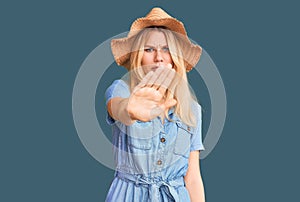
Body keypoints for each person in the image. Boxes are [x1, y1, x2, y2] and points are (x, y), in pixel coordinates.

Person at [104, 7, 205, 202]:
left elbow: (192, 177)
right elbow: (117, 107)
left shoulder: (192, 110)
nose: (159, 57)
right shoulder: (121, 90)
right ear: (138, 57)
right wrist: (128, 110)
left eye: (166, 49)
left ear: (175, 59)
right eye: (149, 49)